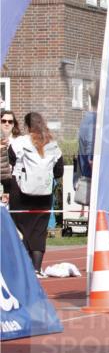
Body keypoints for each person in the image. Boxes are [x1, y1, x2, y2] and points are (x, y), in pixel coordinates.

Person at [8, 112, 64, 277]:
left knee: (21, 229)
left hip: (20, 192)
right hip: (44, 193)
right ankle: (37, 269)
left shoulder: (19, 142)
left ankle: (23, 269)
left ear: (26, 126)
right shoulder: (53, 144)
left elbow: (10, 163)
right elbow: (59, 171)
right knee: (39, 231)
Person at [1, 110, 20, 198]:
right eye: (3, 121)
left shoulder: (19, 141)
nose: (7, 123)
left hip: (14, 185)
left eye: (10, 121)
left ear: (13, 124)